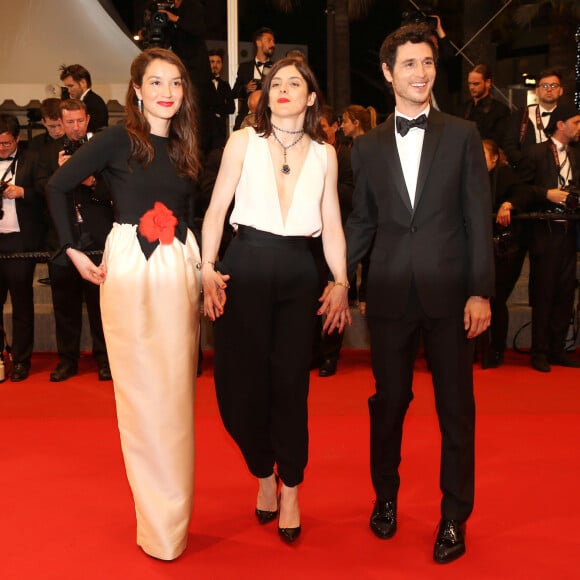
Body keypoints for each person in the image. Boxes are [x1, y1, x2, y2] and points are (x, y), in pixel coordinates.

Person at [344, 24, 493, 563]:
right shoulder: (367, 145)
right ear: (388, 73)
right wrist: (337, 276)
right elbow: (362, 221)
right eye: (409, 64)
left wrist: (480, 291)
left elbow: (478, 218)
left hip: (452, 296)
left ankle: (454, 515)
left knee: (457, 410)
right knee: (389, 405)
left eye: (427, 62)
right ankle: (385, 497)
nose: (420, 72)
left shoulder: (462, 134)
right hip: (387, 296)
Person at [46, 48, 202, 560]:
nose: (166, 91)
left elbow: (192, 214)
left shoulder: (185, 145)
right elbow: (57, 184)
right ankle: (156, 526)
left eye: (175, 83)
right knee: (141, 400)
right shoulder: (116, 140)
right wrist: (71, 247)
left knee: (177, 399)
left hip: (178, 271)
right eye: (155, 82)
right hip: (132, 271)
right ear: (136, 90)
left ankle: (174, 521)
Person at [201, 57, 351, 544]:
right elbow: (217, 207)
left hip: (297, 273)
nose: (283, 88)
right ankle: (262, 471)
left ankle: (290, 486)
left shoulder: (327, 154)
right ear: (265, 96)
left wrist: (342, 280)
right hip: (243, 266)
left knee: (290, 387)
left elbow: (331, 223)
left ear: (311, 98)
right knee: (234, 388)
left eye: (295, 83)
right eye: (275, 83)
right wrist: (207, 266)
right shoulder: (244, 141)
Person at [36, 100, 112, 383]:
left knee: (100, 306)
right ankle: (67, 361)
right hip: (62, 241)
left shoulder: (103, 149)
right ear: (61, 121)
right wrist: (61, 176)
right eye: (70, 122)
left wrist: (91, 181)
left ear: (88, 118)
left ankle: (104, 359)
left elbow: (114, 191)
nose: (75, 126)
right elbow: (40, 192)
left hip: (97, 239)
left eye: (80, 120)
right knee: (64, 306)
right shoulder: (45, 153)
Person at [519, 104, 580, 372]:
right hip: (544, 231)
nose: (579, 127)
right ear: (560, 124)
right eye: (576, 122)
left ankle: (558, 349)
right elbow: (520, 188)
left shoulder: (577, 155)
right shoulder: (535, 152)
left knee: (566, 293)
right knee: (544, 293)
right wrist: (547, 194)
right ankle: (540, 351)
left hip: (570, 231)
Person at [0, 114, 47, 381]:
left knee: (22, 304)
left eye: (6, 143)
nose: (2, 148)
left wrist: (22, 192)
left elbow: (47, 191)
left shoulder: (33, 158)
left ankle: (21, 359)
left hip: (21, 240)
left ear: (17, 139)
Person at [483, 139, 535, 368]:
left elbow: (525, 193)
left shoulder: (505, 176)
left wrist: (508, 204)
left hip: (504, 250)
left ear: (495, 158)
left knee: (495, 299)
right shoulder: (469, 175)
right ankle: (479, 348)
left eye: (482, 154)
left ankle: (496, 349)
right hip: (478, 248)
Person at [341, 104, 377, 319]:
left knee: (367, 258)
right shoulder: (355, 146)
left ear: (356, 123)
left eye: (345, 121)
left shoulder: (365, 146)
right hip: (359, 211)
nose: (342, 125)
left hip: (366, 213)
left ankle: (363, 298)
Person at [503, 69, 564, 175]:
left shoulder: (569, 117)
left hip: (562, 173)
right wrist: (527, 163)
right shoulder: (521, 116)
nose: (549, 89)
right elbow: (509, 146)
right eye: (544, 86)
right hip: (529, 176)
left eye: (554, 86)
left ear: (561, 90)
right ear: (537, 91)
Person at [231, 26, 276, 130]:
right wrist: (245, 88)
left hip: (270, 119)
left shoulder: (276, 68)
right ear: (258, 43)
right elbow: (234, 93)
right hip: (247, 119)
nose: (273, 44)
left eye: (273, 41)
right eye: (269, 40)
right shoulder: (244, 67)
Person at [460, 63, 510, 145]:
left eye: (476, 84)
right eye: (469, 83)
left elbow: (499, 141)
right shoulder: (463, 108)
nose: (471, 87)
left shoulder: (501, 110)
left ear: (488, 82)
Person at [59, 64, 109, 132]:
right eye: (67, 87)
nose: (68, 90)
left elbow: (96, 132)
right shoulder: (66, 98)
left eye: (71, 86)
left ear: (83, 83)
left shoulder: (96, 103)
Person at [207, 48, 235, 150]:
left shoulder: (225, 85)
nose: (215, 65)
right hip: (204, 132)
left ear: (222, 65)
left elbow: (231, 108)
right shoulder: (201, 84)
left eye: (218, 62)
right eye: (212, 62)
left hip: (220, 132)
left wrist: (215, 109)